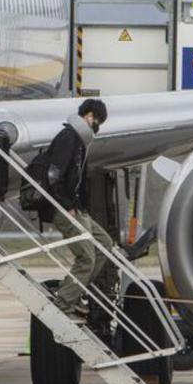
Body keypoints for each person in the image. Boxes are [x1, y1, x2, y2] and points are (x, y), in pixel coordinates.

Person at [46, 99, 112, 321]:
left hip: (77, 209)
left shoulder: (80, 143)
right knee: (87, 257)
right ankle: (64, 303)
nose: (98, 127)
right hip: (65, 208)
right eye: (98, 121)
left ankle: (76, 291)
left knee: (105, 243)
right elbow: (54, 175)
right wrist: (67, 206)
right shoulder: (68, 138)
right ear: (89, 115)